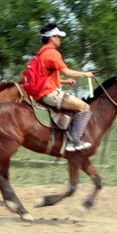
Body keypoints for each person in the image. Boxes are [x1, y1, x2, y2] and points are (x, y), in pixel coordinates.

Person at [32, 23, 95, 152]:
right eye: (58, 36)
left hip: (42, 93)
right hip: (50, 93)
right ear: (52, 37)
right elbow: (67, 71)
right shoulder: (52, 53)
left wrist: (64, 82)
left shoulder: (40, 53)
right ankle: (75, 141)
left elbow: (44, 77)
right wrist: (85, 74)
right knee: (84, 107)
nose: (60, 39)